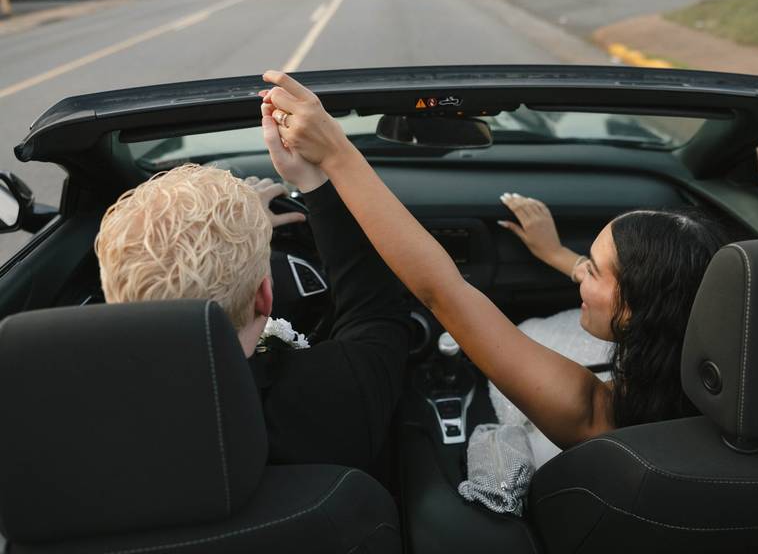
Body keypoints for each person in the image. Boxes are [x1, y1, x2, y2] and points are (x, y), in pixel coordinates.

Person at [259, 70, 730, 448]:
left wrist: (337, 153)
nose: (577, 274)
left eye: (592, 268)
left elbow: (441, 290)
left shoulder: (591, 414)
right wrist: (555, 254)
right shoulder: (744, 384)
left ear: (636, 311)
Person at [94, 162, 414, 473]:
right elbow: (375, 311)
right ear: (265, 296)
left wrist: (243, 234)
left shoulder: (89, 419)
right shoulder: (335, 394)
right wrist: (309, 180)